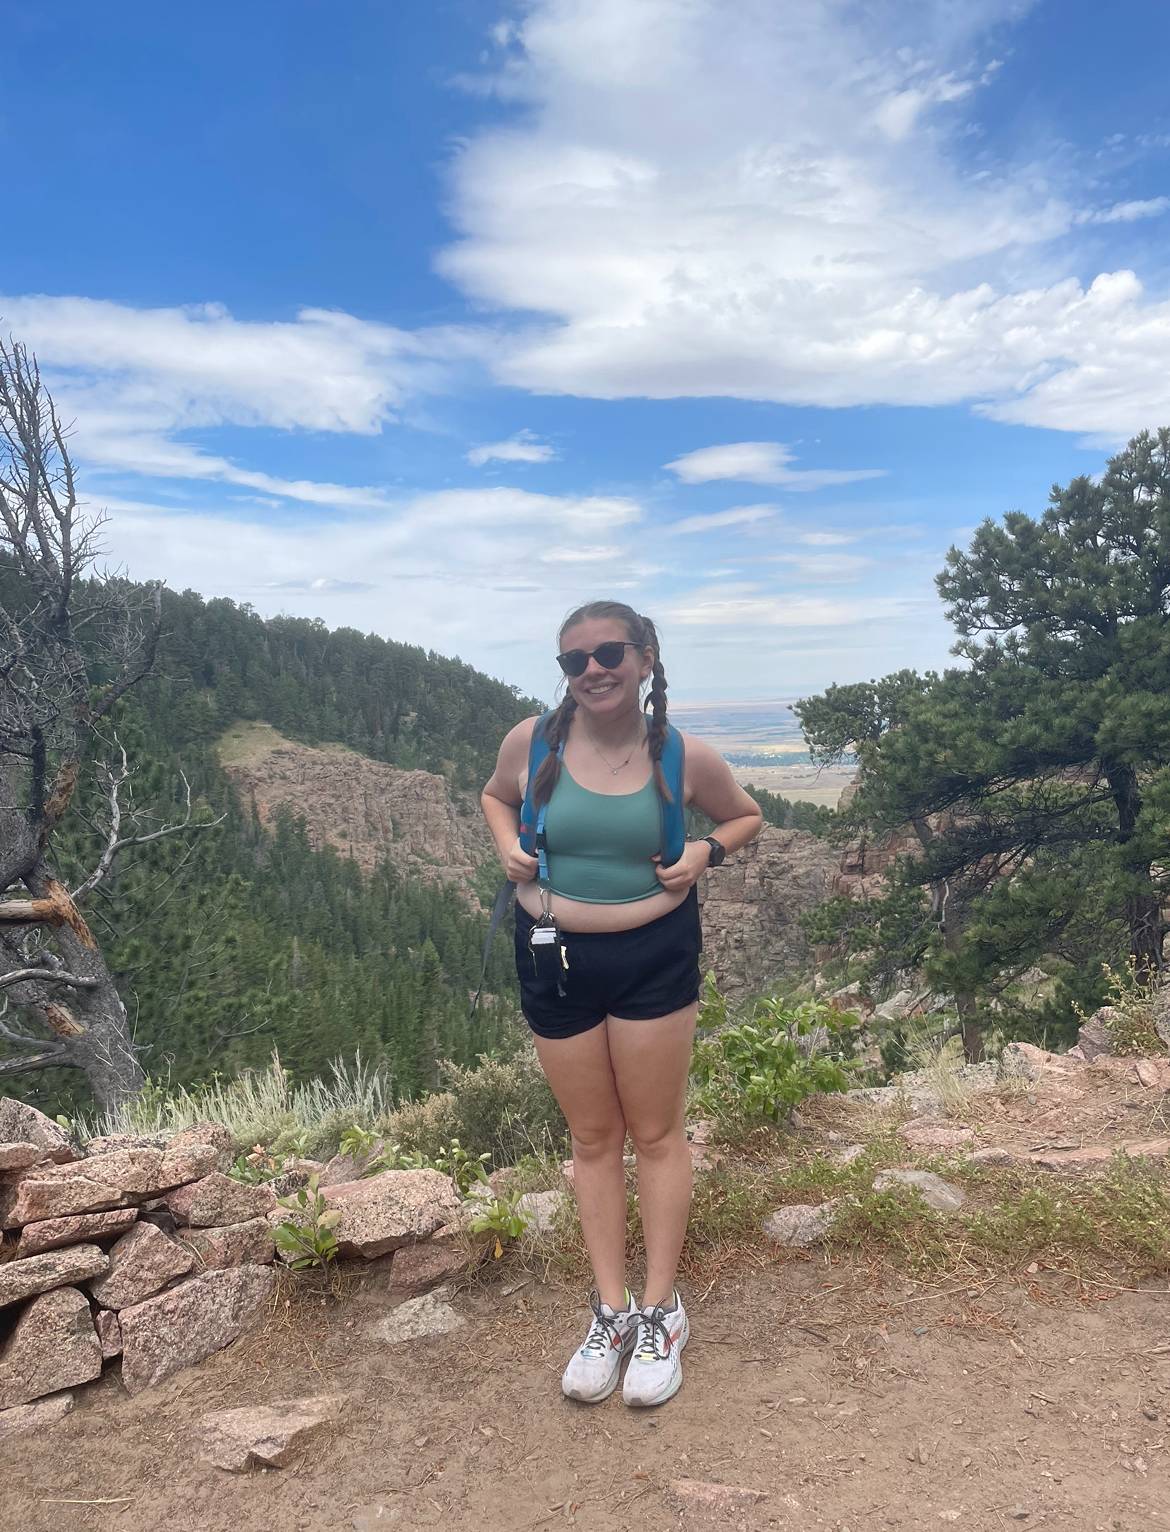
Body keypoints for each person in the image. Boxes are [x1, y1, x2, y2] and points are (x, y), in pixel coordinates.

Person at [481, 600, 763, 1407]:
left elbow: (745, 816)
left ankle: (661, 1310)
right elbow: (495, 797)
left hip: (652, 956)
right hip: (552, 956)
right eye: (575, 660)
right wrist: (505, 841)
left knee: (657, 1131)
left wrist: (705, 852)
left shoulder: (681, 755)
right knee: (592, 1137)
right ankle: (610, 1310)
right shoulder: (532, 741)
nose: (593, 670)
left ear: (644, 659)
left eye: (609, 653)